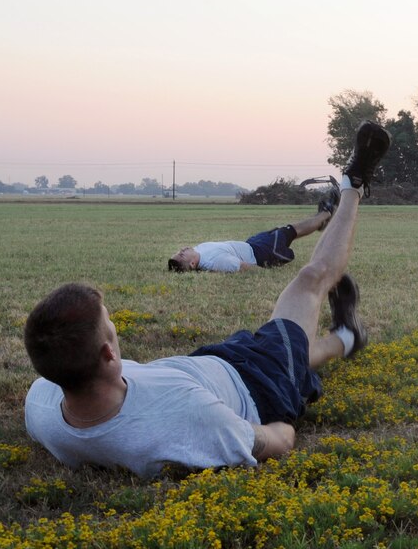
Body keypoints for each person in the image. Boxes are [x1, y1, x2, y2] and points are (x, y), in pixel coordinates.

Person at [23, 120, 391, 478]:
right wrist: (281, 403)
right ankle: (353, 185)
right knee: (310, 281)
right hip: (260, 384)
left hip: (208, 365)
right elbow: (280, 439)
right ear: (108, 355)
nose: (115, 330)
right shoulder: (191, 418)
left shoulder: (40, 402)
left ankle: (347, 337)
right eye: (112, 327)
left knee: (289, 345)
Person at [167, 188, 341, 273]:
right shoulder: (214, 262)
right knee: (290, 231)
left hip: (252, 243)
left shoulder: (198, 251)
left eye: (179, 251)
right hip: (260, 252)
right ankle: (326, 213)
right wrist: (268, 273)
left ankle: (321, 220)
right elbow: (244, 267)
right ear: (192, 264)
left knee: (289, 231)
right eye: (182, 254)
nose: (182, 249)